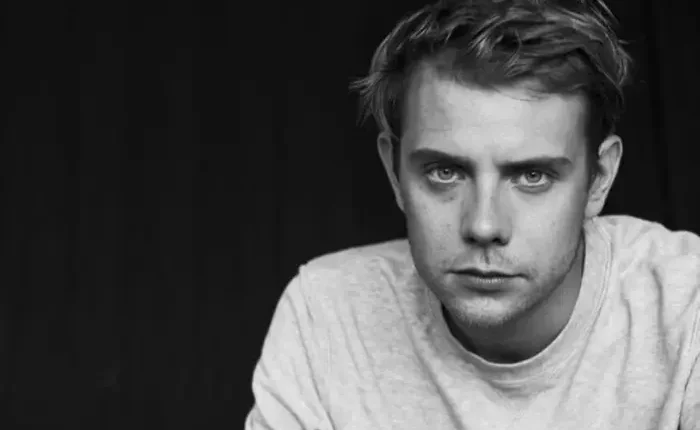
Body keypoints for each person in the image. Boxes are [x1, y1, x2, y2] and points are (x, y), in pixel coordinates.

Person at [245, 0, 700, 428]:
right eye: (445, 173)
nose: (484, 226)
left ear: (599, 179)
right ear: (394, 171)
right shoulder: (327, 314)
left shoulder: (686, 307)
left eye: (532, 176)